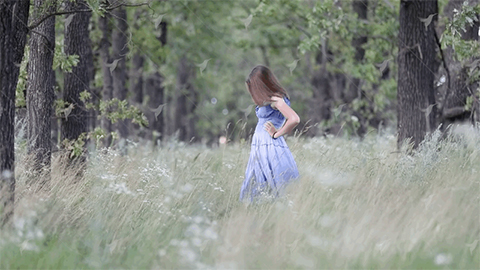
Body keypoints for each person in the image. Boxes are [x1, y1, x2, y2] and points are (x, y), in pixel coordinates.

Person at [240, 65, 300, 201]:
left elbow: (294, 119)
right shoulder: (271, 100)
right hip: (261, 146)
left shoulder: (276, 100)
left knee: (275, 182)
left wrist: (277, 133)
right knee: (260, 181)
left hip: (269, 145)